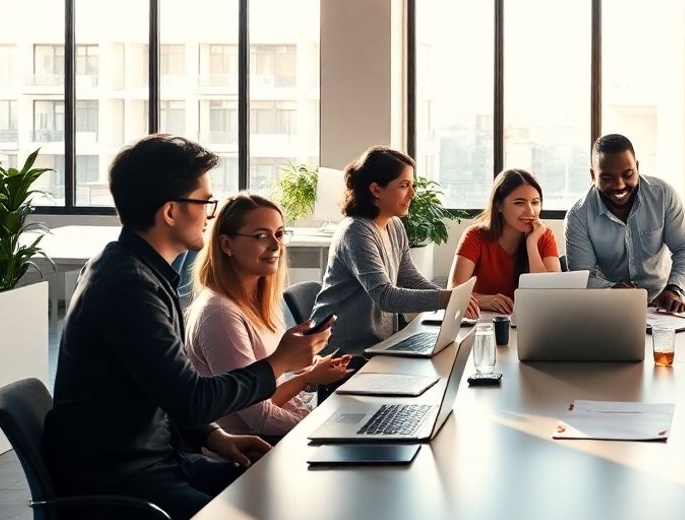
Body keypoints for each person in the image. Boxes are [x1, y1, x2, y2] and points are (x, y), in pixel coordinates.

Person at [44, 135, 330, 520]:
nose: (210, 214)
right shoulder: (129, 287)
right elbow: (191, 398)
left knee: (296, 491)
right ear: (171, 212)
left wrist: (213, 436)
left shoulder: (134, 269)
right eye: (204, 202)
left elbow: (166, 388)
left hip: (163, 461)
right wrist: (279, 363)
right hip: (125, 484)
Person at [185, 193, 353, 440]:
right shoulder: (220, 315)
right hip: (253, 452)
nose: (276, 246)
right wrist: (321, 428)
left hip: (279, 433)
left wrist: (309, 369)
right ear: (226, 245)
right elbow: (258, 418)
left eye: (280, 234)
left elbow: (268, 389)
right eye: (261, 236)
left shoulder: (257, 301)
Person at [310, 146, 479, 357]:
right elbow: (386, 296)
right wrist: (445, 299)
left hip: (377, 345)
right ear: (376, 190)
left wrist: (452, 298)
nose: (412, 193)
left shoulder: (394, 225)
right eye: (404, 185)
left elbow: (408, 277)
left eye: (412, 185)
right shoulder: (356, 231)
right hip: (342, 353)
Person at [563, 134, 685, 314]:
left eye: (627, 174)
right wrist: (611, 289)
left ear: (637, 168)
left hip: (661, 304)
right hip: (608, 305)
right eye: (607, 178)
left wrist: (674, 288)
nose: (619, 185)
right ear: (593, 175)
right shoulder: (578, 216)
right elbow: (582, 276)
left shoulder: (663, 196)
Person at [448, 168, 561, 313]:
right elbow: (453, 291)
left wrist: (531, 244)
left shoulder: (544, 236)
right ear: (498, 205)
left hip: (529, 320)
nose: (530, 212)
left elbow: (549, 295)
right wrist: (485, 300)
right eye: (519, 203)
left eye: (535, 202)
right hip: (483, 320)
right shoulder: (474, 236)